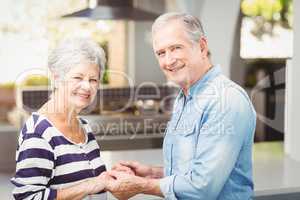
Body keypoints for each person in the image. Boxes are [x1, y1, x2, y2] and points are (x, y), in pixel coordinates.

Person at [105, 12, 257, 200]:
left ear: (201, 47)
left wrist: (141, 186)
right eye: (161, 53)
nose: (168, 61)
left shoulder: (225, 100)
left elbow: (202, 187)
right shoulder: (184, 97)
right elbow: (189, 172)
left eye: (176, 48)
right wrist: (151, 173)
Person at [11, 38, 111, 200]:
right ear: (56, 78)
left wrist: (112, 178)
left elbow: (93, 182)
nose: (87, 86)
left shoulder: (84, 127)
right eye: (78, 77)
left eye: (93, 80)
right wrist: (87, 187)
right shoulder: (39, 132)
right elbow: (27, 197)